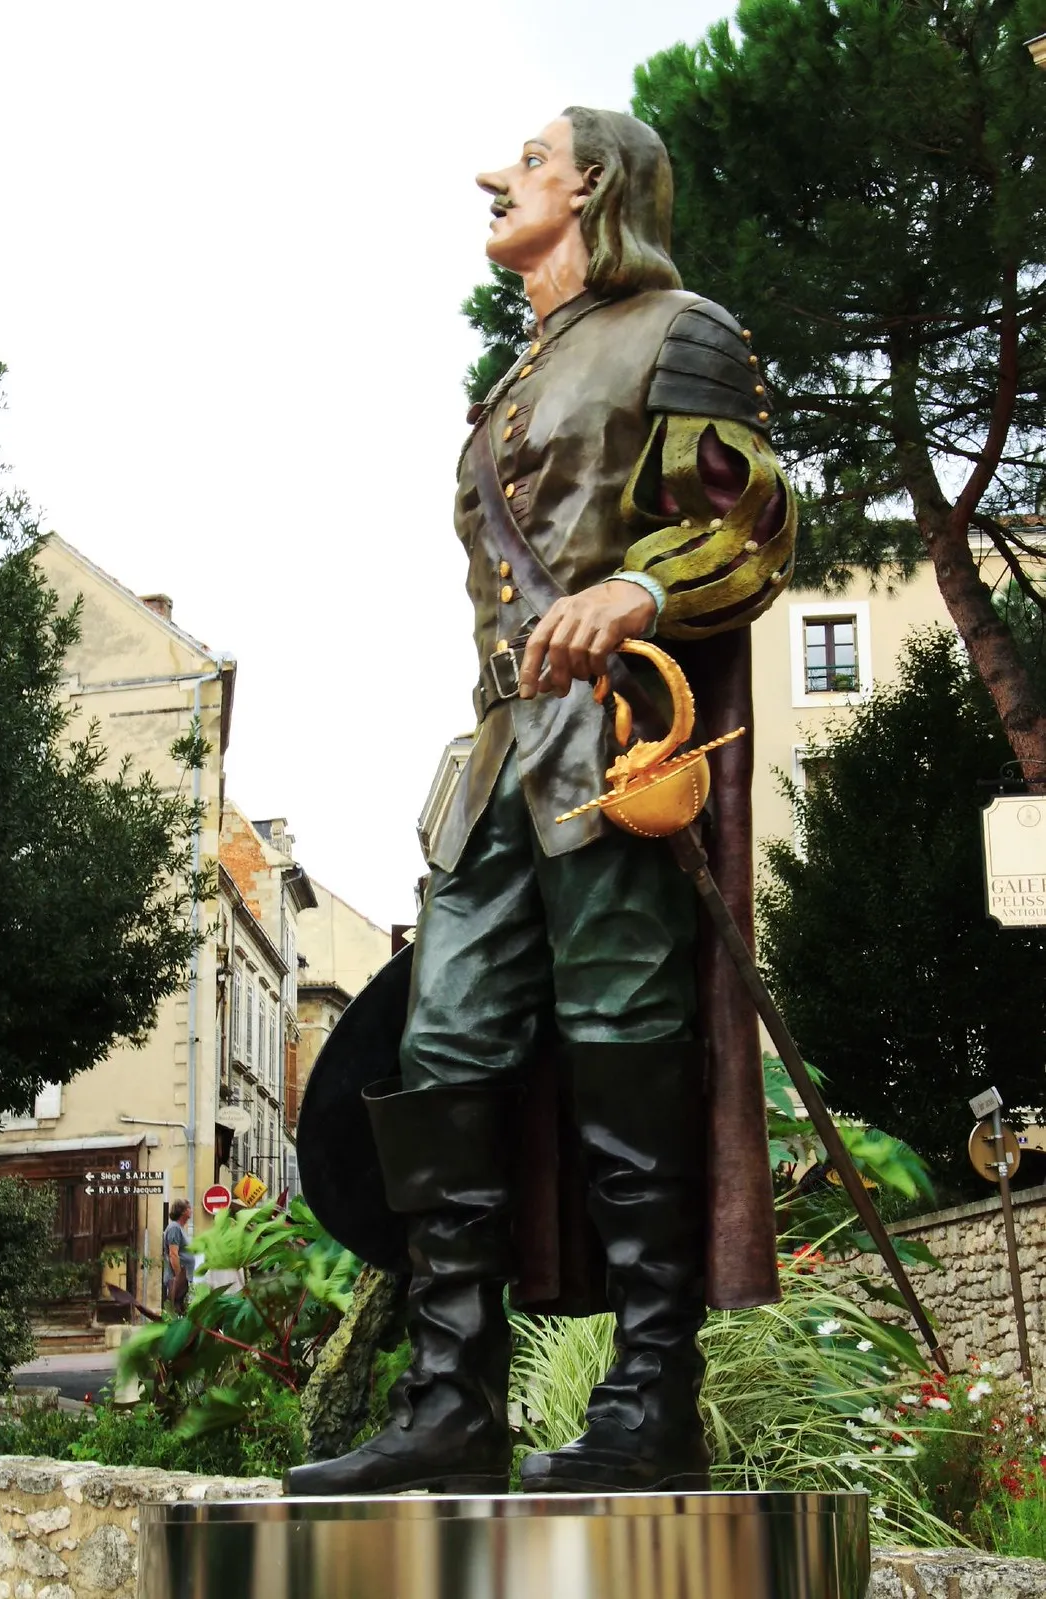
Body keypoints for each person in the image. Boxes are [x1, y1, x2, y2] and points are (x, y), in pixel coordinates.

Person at [288, 106, 795, 1498]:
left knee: (629, 1035)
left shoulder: (680, 329)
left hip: (621, 747)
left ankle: (651, 1398)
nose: (493, 177)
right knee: (443, 1054)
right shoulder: (511, 385)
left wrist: (637, 586)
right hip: (499, 760)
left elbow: (753, 518)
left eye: (524, 159)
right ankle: (453, 1400)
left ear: (592, 187)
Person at [162, 1198, 194, 1315]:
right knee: (175, 1311)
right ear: (182, 1211)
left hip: (183, 1278)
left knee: (181, 1310)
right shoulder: (174, 1228)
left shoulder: (179, 1228)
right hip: (177, 1278)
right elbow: (173, 1254)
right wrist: (179, 1276)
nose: (191, 1210)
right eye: (189, 1208)